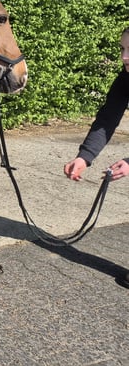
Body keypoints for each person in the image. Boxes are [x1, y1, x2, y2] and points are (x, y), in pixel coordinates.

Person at [63, 26, 129, 288]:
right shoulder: (126, 77)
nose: (124, 56)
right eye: (123, 49)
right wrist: (84, 157)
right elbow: (107, 118)